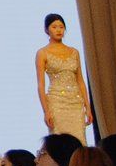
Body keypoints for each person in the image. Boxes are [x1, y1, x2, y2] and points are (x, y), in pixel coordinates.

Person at [36, 14, 92, 142]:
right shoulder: (42, 53)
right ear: (46, 30)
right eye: (54, 27)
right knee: (59, 141)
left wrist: (88, 107)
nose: (58, 30)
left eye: (61, 27)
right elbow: (40, 85)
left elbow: (80, 81)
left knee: (79, 139)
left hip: (76, 102)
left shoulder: (74, 52)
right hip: (56, 102)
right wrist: (46, 111)